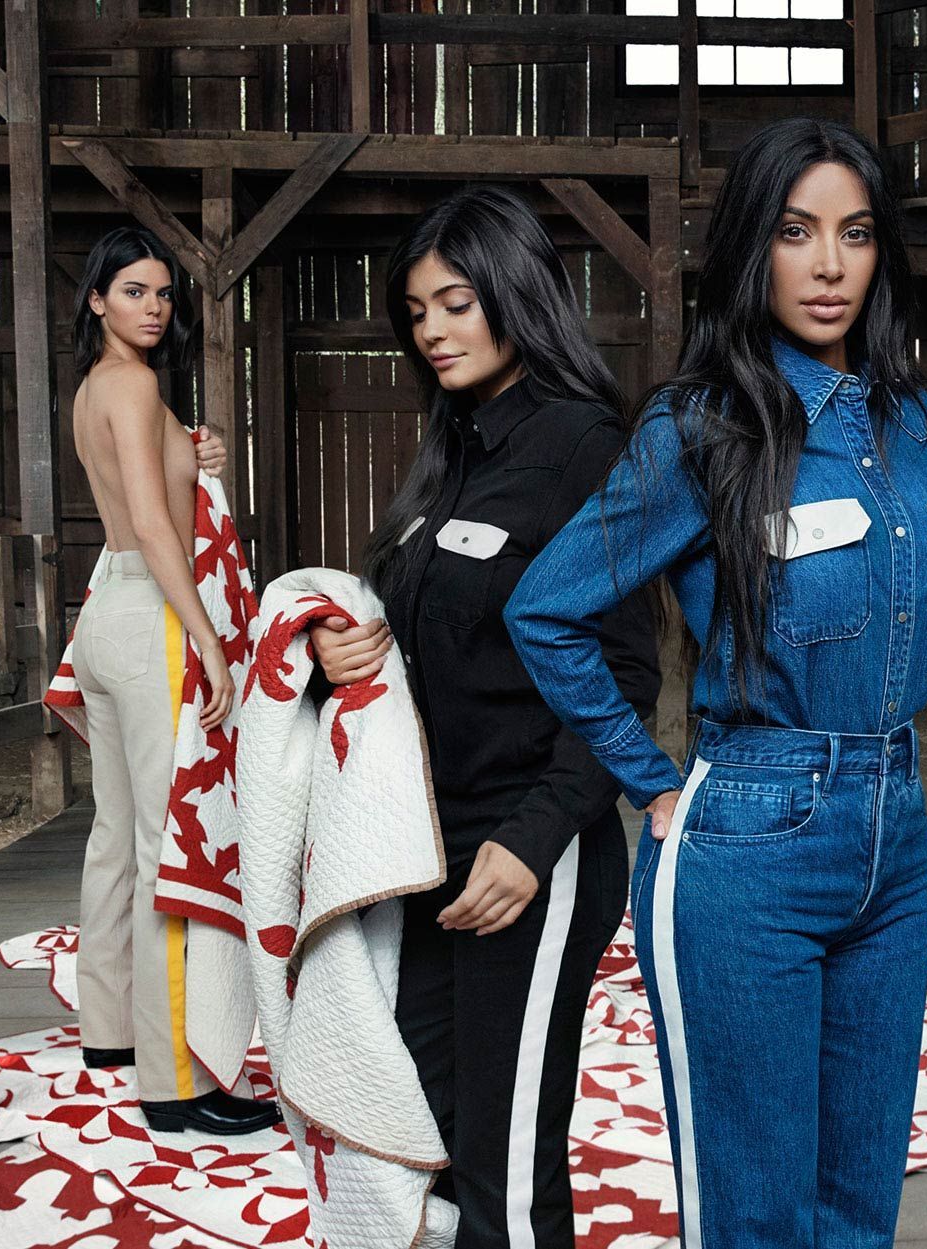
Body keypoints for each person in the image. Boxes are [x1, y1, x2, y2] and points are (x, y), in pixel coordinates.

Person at [505, 118, 927, 1248]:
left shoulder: (921, 425)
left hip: (897, 839)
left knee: (858, 1214)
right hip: (747, 845)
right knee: (757, 1221)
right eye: (796, 232)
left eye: (855, 234)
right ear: (754, 248)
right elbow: (546, 608)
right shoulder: (703, 424)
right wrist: (650, 778)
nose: (828, 265)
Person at [305, 185, 661, 1249]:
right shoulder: (450, 451)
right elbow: (413, 633)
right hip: (425, 852)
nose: (433, 330)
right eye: (417, 311)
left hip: (528, 853)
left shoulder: (585, 448)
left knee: (506, 1163)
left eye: (456, 303)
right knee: (424, 1128)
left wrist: (534, 838)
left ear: (516, 293)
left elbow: (626, 672)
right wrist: (335, 656)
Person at [65, 226, 277, 1135]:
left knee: (116, 832)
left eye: (162, 293)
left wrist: (198, 447)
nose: (153, 307)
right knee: (170, 847)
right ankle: (176, 1078)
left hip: (104, 613)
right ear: (97, 299)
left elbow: (151, 485)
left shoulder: (96, 388)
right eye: (133, 291)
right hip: (153, 610)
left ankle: (110, 1030)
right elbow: (157, 524)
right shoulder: (135, 385)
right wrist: (211, 643)